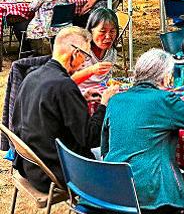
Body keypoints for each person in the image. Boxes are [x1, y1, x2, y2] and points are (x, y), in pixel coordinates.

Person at [101, 49, 184, 214]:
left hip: (109, 193)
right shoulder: (165, 100)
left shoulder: (115, 100)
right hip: (148, 200)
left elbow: (105, 149)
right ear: (165, 78)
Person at [12, 26, 118, 192]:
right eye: (85, 55)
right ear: (75, 54)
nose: (84, 62)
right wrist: (105, 103)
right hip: (57, 172)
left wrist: (79, 99)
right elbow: (91, 138)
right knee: (116, 153)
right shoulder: (64, 86)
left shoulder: (32, 75)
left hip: (31, 166)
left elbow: (37, 116)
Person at [72, 8, 119, 91]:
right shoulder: (80, 51)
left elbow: (106, 80)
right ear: (91, 31)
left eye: (112, 32)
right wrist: (91, 70)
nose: (108, 37)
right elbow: (67, 82)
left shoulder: (111, 52)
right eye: (102, 31)